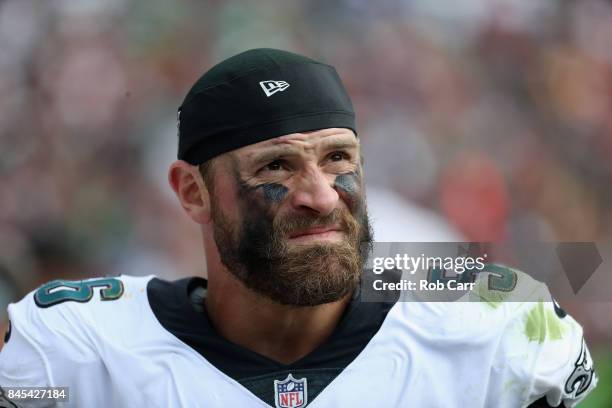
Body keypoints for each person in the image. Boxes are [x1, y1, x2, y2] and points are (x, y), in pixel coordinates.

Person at [0, 49, 597, 407]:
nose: (319, 196)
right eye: (276, 167)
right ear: (193, 192)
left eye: (338, 159)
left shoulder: (498, 332)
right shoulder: (74, 357)